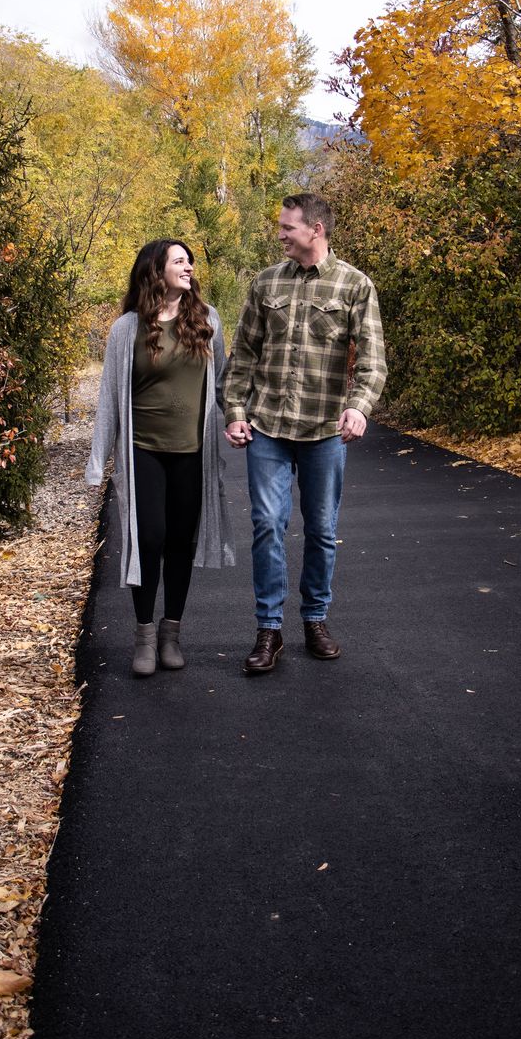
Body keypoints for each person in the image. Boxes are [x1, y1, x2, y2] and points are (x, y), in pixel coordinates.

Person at [223, 193, 386, 674]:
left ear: (315, 229)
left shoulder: (354, 285)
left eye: (287, 227)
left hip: (324, 431)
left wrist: (358, 407)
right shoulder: (265, 283)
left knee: (322, 530)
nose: (280, 234)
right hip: (268, 427)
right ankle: (268, 629)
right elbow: (243, 357)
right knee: (268, 525)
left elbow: (373, 361)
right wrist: (235, 410)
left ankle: (315, 618)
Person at [86, 239, 235, 677]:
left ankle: (172, 634)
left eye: (190, 261)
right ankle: (145, 635)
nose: (189, 267)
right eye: (179, 261)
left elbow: (223, 383)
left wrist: (243, 420)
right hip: (143, 451)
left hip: (193, 452)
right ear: (156, 271)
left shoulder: (208, 321)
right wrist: (98, 462)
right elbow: (110, 398)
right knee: (148, 538)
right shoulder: (127, 329)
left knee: (180, 543)